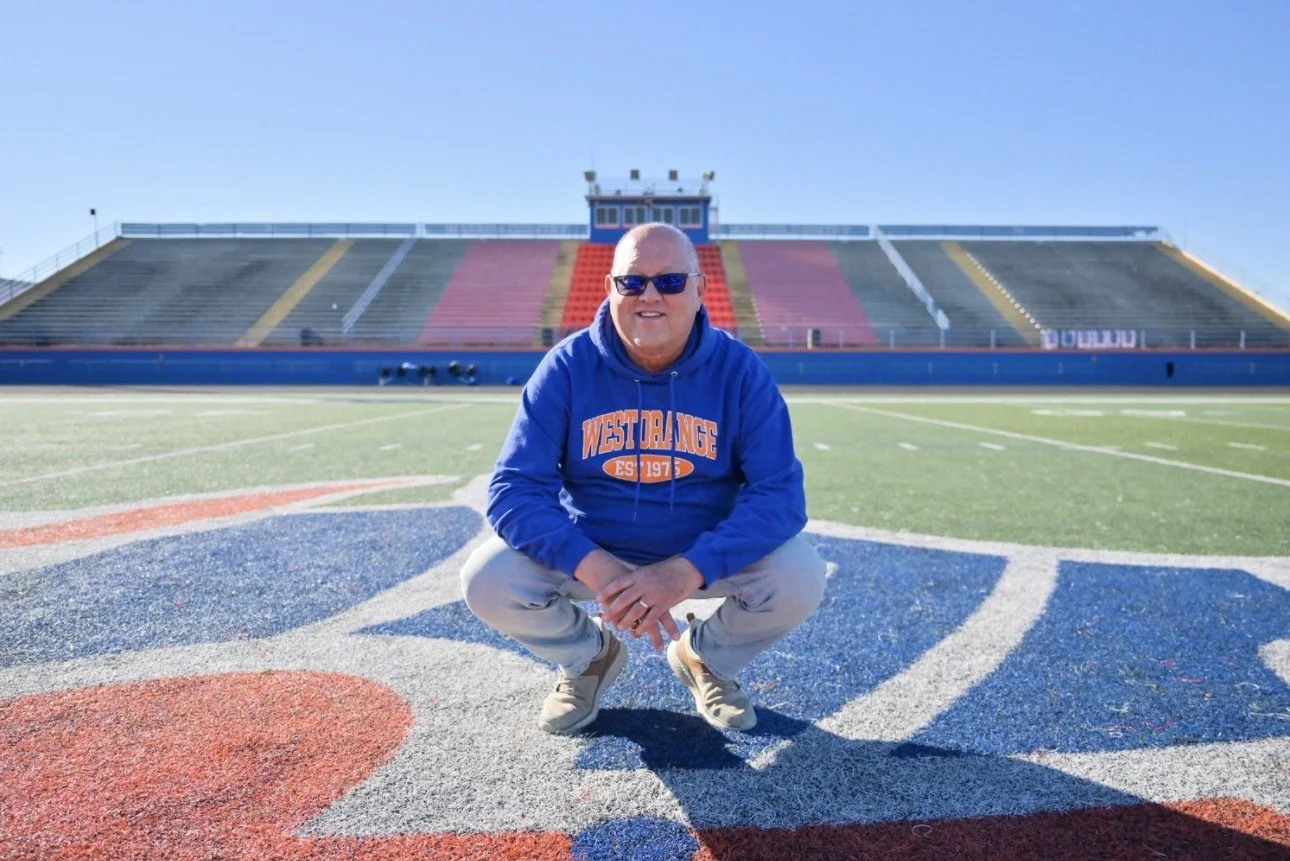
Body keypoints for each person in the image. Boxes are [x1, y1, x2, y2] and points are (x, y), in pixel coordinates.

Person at [461, 223, 825, 735]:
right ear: (610, 289)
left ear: (700, 290)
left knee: (800, 576)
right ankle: (589, 658)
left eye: (670, 281)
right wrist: (597, 568)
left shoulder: (740, 372)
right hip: (595, 550)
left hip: (700, 553)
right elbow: (513, 490)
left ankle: (707, 657)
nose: (649, 296)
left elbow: (780, 497)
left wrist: (688, 570)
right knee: (487, 578)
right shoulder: (567, 367)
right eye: (632, 282)